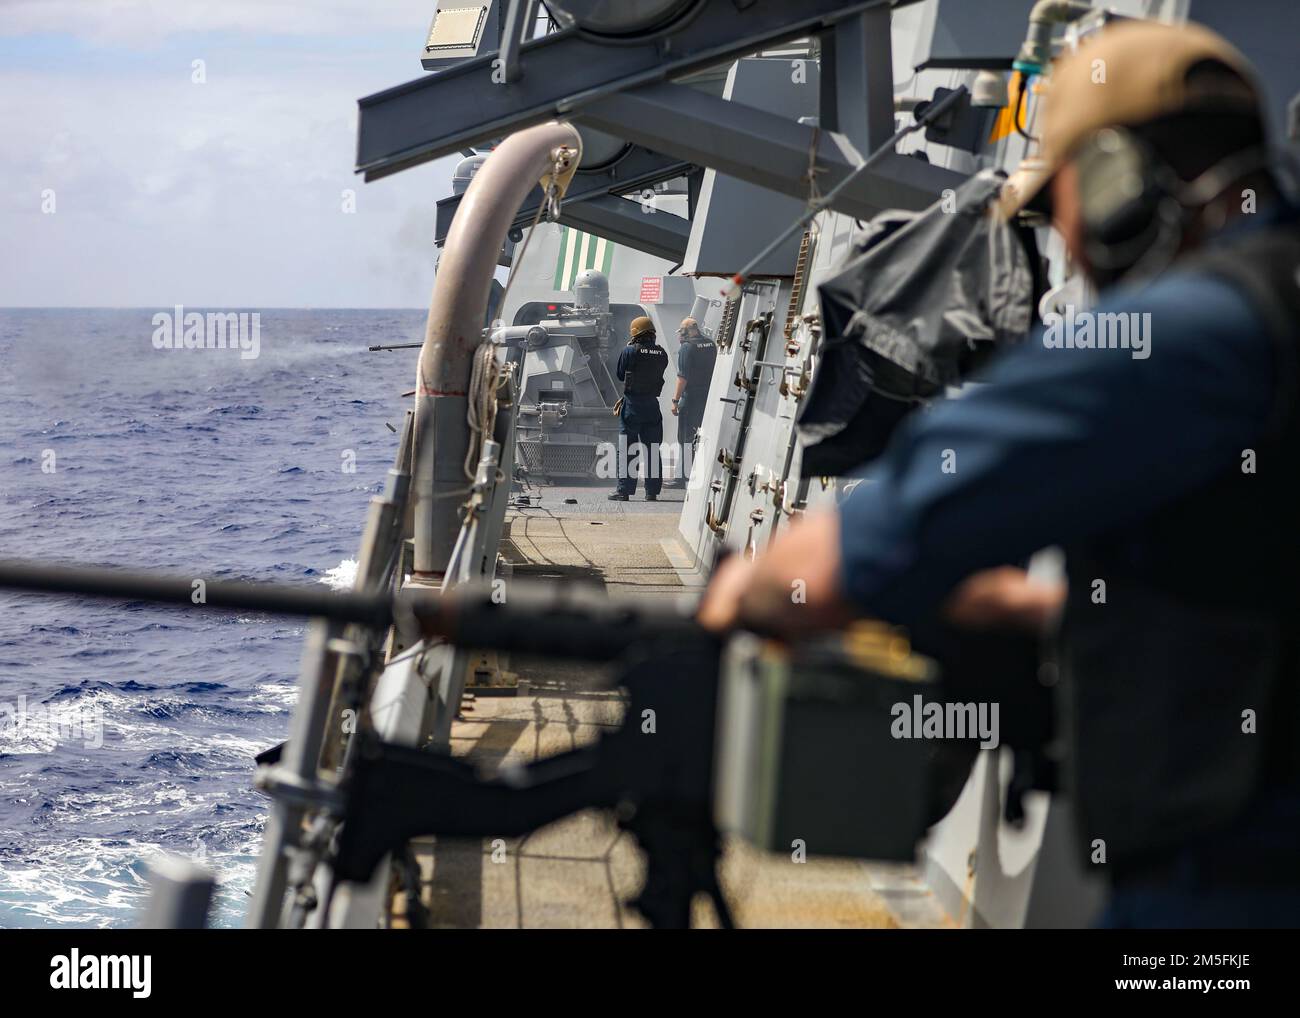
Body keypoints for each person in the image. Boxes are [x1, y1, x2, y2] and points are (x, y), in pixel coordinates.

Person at [700, 21, 1300, 927]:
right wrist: (1035, 614)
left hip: (1229, 891)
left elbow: (853, 555)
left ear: (1112, 183)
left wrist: (750, 591)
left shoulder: (1188, 337)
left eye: (1055, 201)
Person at [610, 316, 669, 501]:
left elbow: (620, 375)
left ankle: (624, 491)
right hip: (652, 406)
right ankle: (651, 492)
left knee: (627, 448)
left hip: (633, 405)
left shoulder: (630, 350)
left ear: (634, 332)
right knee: (652, 448)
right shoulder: (662, 353)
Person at [670, 317, 717, 485]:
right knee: (702, 435)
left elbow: (682, 377)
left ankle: (682, 477)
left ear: (685, 332)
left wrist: (675, 401)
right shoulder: (711, 345)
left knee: (686, 437)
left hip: (690, 398)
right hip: (707, 397)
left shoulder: (687, 348)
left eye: (681, 332)